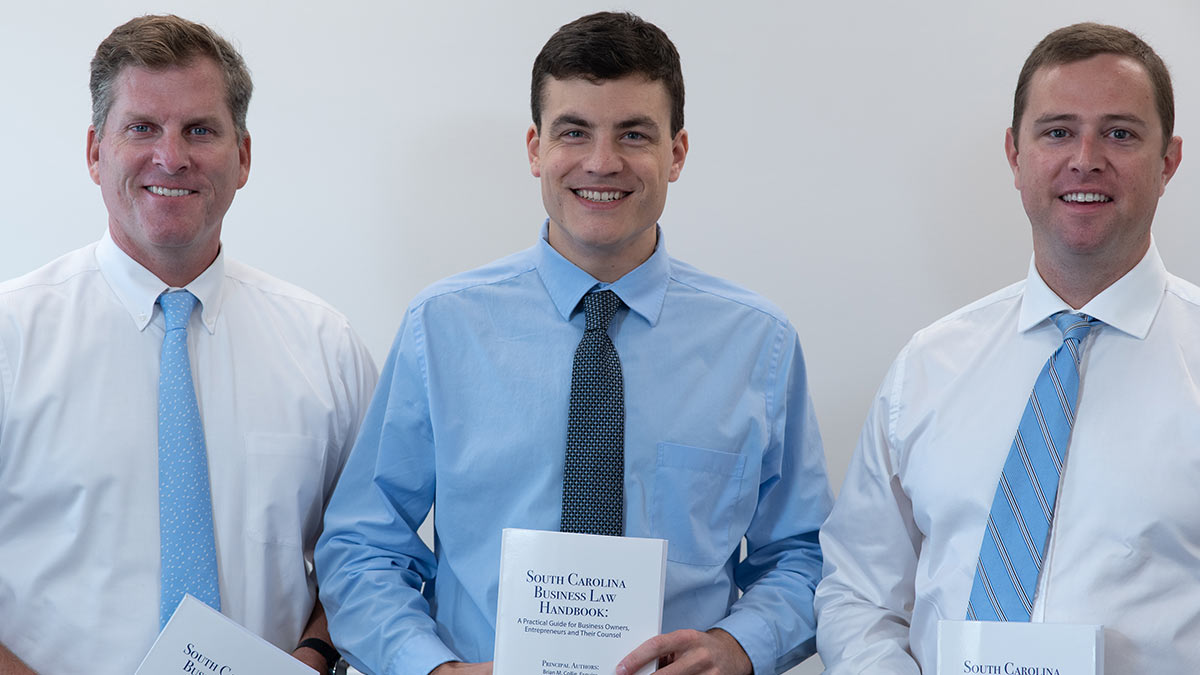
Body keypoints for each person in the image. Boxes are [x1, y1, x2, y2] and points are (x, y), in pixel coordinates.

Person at [316, 11, 832, 675]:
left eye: (634, 134)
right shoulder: (440, 328)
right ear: (535, 147)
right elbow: (362, 546)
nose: (601, 162)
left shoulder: (759, 344)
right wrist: (433, 669)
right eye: (574, 131)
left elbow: (804, 553)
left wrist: (737, 648)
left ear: (676, 152)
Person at [0, 15, 377, 675]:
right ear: (95, 151)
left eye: (200, 130)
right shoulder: (11, 335)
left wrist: (315, 654)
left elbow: (370, 554)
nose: (170, 156)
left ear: (245, 156)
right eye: (141, 127)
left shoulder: (326, 347)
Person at [814, 22, 1191, 674]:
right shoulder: (928, 367)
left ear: (1169, 162)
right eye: (1057, 131)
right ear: (1015, 155)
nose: (1086, 157)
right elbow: (858, 592)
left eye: (1121, 133)